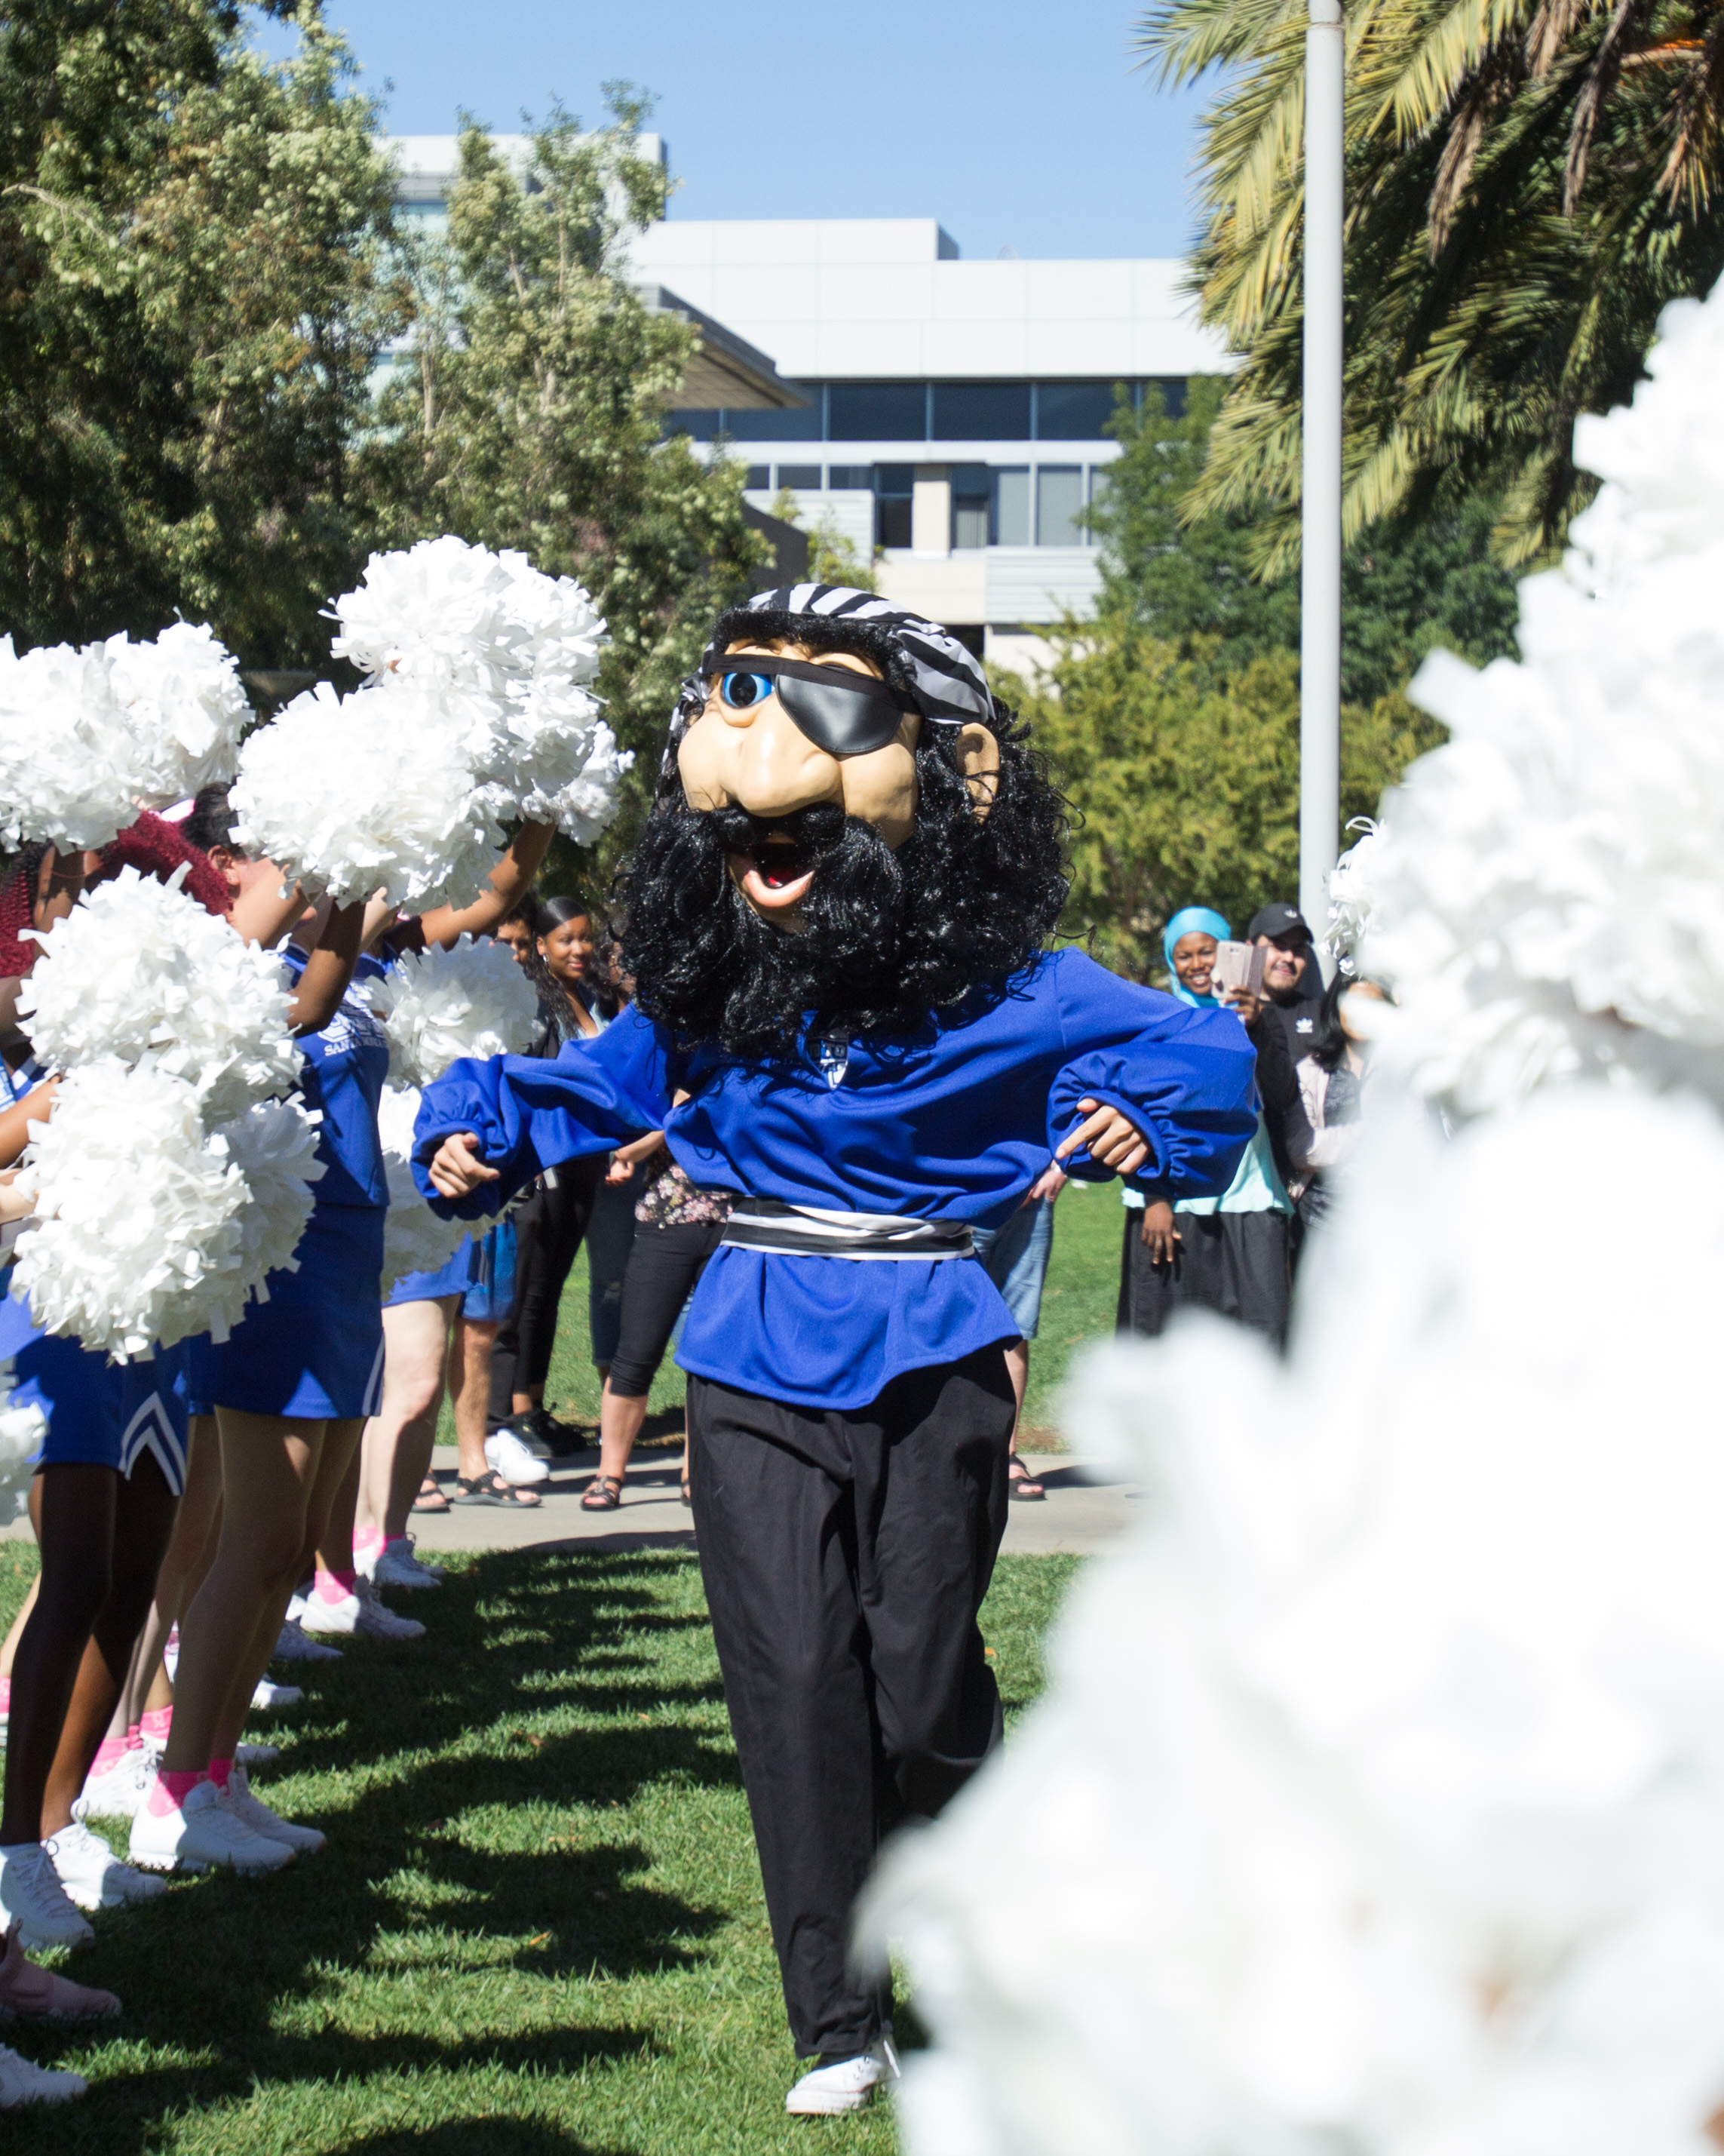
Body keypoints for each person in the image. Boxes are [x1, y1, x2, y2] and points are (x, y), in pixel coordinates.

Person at [414, 583, 1257, 2115]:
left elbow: (1202, 1048)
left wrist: (1150, 1114)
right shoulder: (712, 988)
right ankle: (837, 2020)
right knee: (794, 1675)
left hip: (937, 1345)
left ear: (952, 776)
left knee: (925, 1683)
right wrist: (473, 1130)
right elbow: (583, 1087)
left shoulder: (1021, 980)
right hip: (748, 1351)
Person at [1117, 906, 1298, 1347]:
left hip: (1249, 1197)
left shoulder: (1255, 1014)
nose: (1197, 964)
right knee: (1169, 1343)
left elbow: (1281, 1094)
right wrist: (1155, 1196)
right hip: (1175, 1204)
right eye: (1184, 955)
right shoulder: (1157, 1019)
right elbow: (1135, 1111)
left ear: (1228, 952)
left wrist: (1255, 1027)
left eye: (1207, 951)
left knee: (1264, 1336)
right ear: (1170, 961)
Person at [486, 895, 607, 1460]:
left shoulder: (593, 997)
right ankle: (506, 1413)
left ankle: (532, 1404)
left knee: (550, 1289)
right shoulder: (535, 1003)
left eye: (586, 938)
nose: (579, 949)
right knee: (523, 1293)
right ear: (542, 946)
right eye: (567, 940)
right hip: (544, 1168)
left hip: (587, 1166)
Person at [579, 1116, 732, 1513]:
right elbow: (631, 1148)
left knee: (711, 1360)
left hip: (735, 1225)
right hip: (666, 1219)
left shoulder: (743, 1075)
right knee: (636, 1352)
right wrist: (675, 1116)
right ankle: (609, 1474)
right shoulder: (668, 1082)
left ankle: (694, 1473)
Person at [969, 1162, 1068, 1500]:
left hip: (1032, 1196)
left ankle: (1005, 1455)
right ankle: (948, 1448)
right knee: (951, 1320)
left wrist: (1060, 1167)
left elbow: (1071, 1109)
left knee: (1015, 1329)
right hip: (963, 1196)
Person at [1285, 972, 1388, 1227]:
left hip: (1386, 1214)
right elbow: (1303, 1150)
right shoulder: (1309, 1071)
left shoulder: (1402, 1069)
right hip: (1317, 1219)